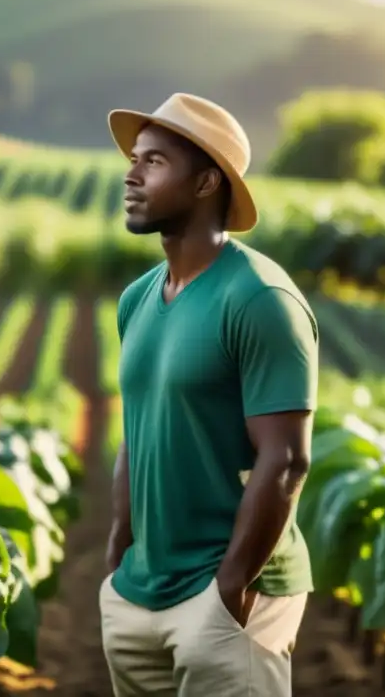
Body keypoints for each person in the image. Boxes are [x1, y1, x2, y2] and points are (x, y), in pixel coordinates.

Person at [99, 92, 319, 696]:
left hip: (226, 599)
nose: (132, 174)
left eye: (154, 162)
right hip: (139, 593)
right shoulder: (138, 299)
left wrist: (230, 590)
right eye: (134, 159)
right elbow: (140, 432)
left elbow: (286, 459)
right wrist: (119, 559)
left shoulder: (260, 300)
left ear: (205, 184)